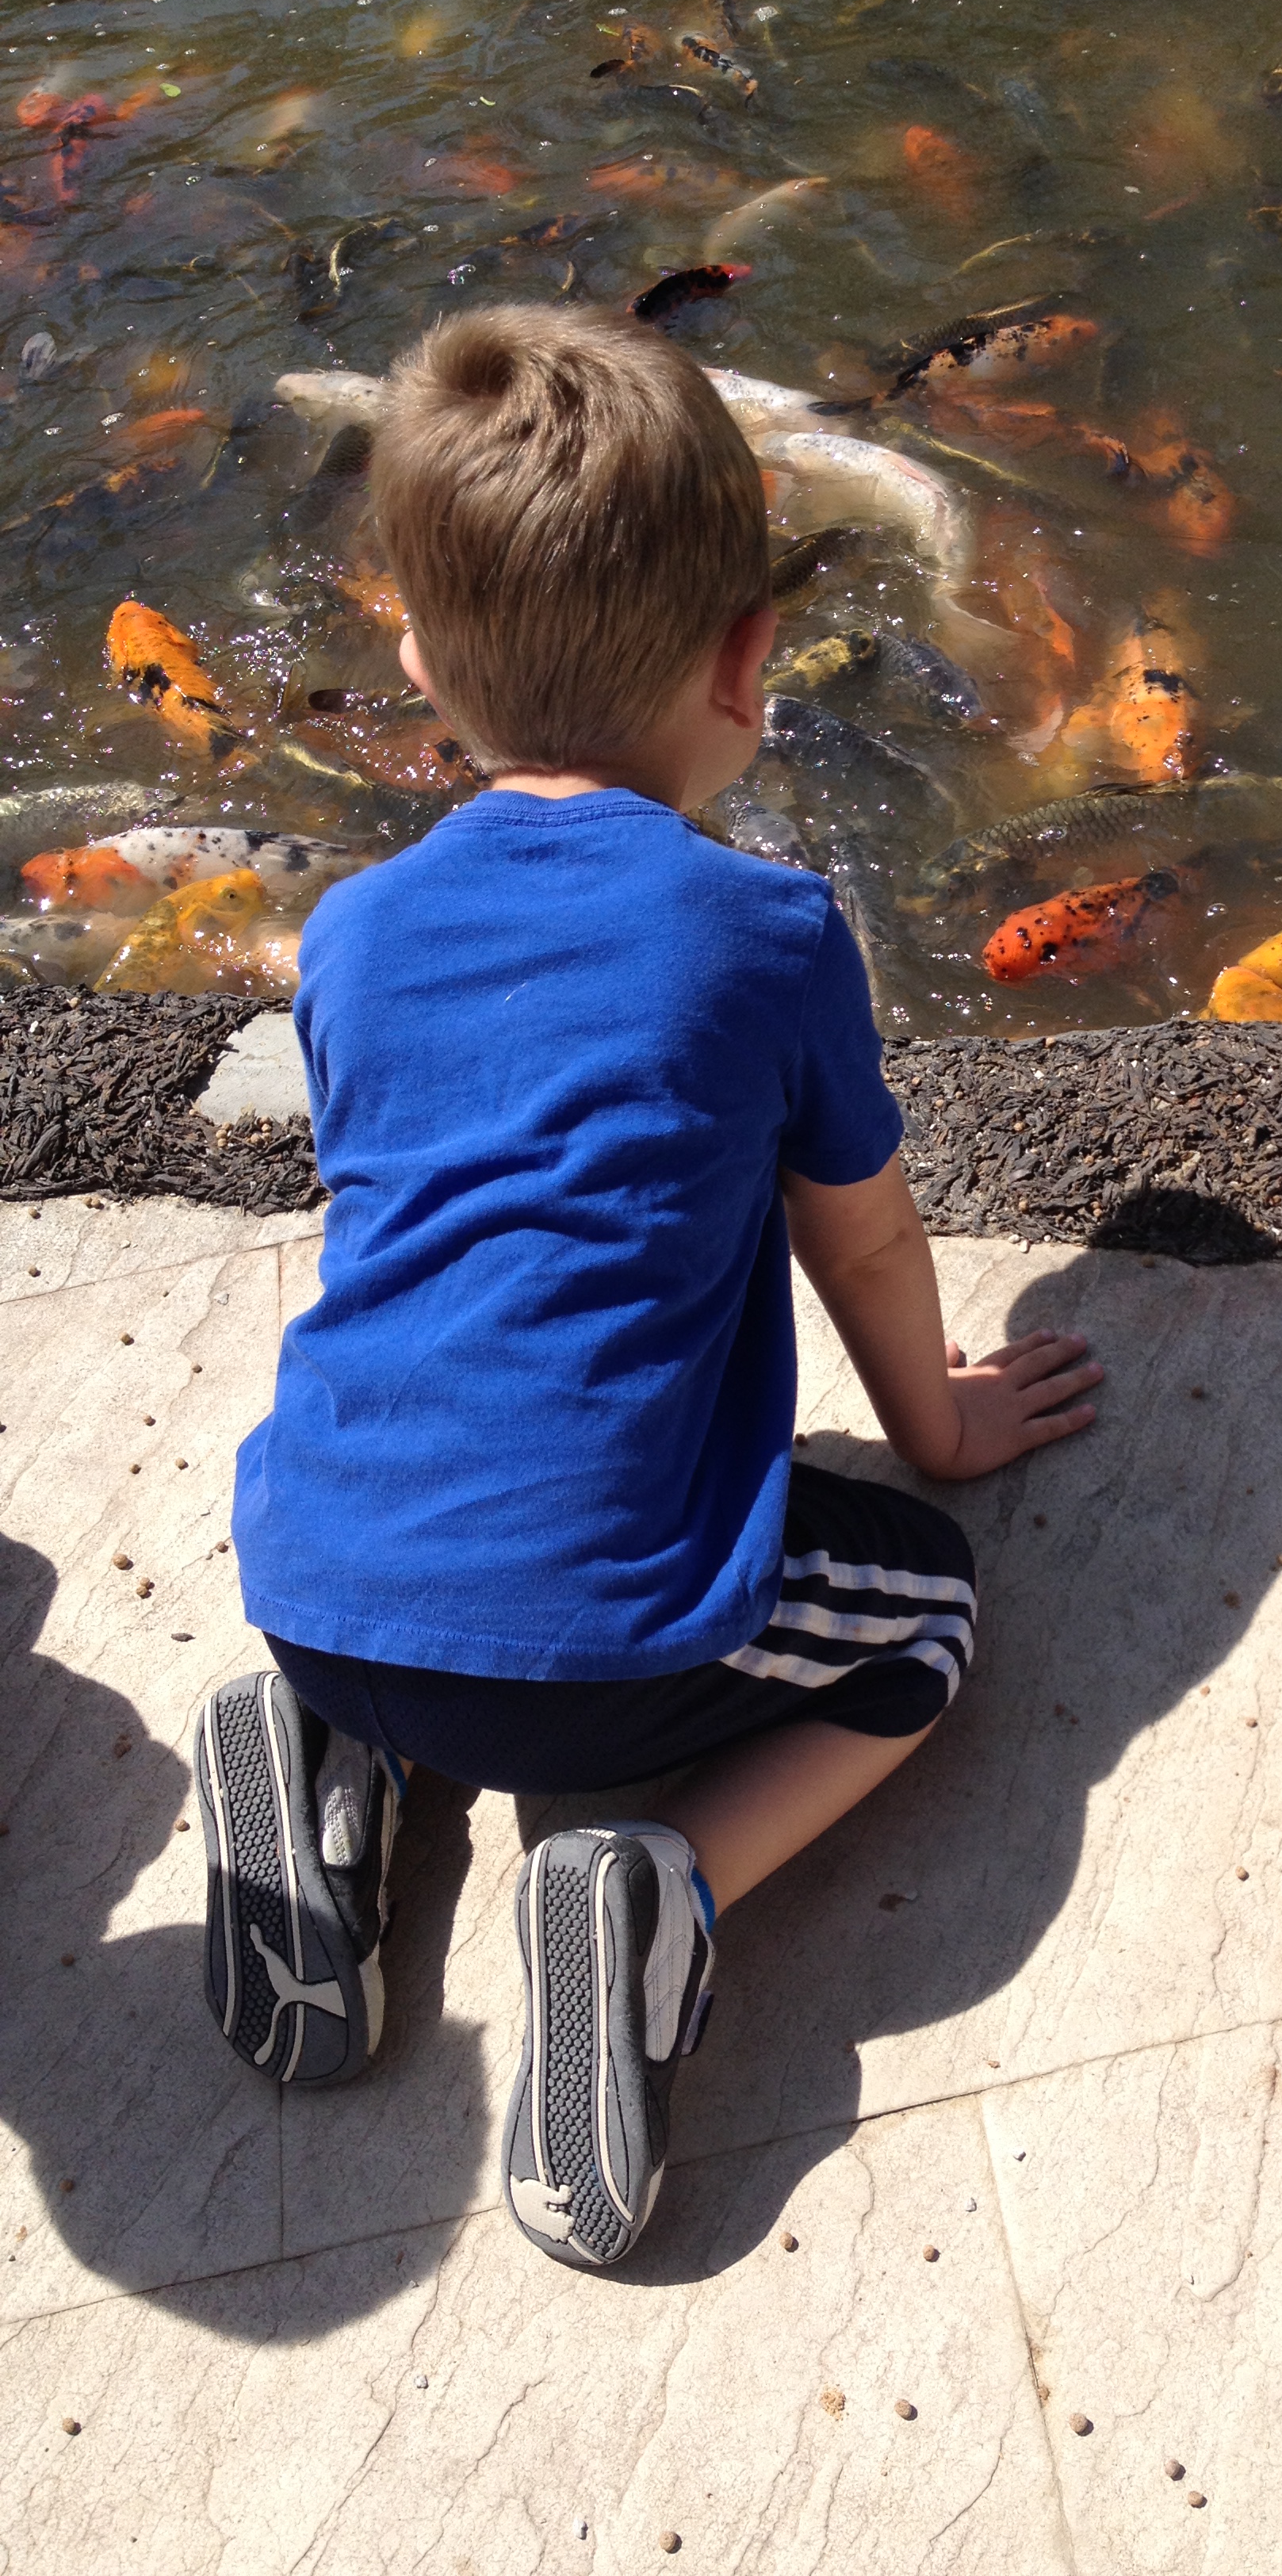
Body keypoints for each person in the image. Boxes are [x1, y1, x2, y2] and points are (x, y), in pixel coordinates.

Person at [197, 303, 1102, 2270]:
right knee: (924, 1619)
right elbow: (861, 1235)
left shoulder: (350, 934)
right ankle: (655, 1885)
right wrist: (940, 1426)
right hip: (610, 1671)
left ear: (418, 665)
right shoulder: (768, 932)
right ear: (751, 661)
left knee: (417, 1539)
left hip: (316, 1581)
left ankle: (326, 1755)